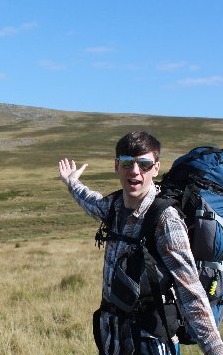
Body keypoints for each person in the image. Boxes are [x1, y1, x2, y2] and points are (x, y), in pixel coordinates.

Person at [58, 131, 223, 354]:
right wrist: (71, 182)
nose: (135, 171)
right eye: (127, 163)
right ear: (117, 166)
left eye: (144, 164)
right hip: (113, 336)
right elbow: (91, 201)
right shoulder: (114, 205)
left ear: (156, 168)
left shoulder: (165, 220)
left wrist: (214, 349)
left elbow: (191, 291)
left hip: (150, 342)